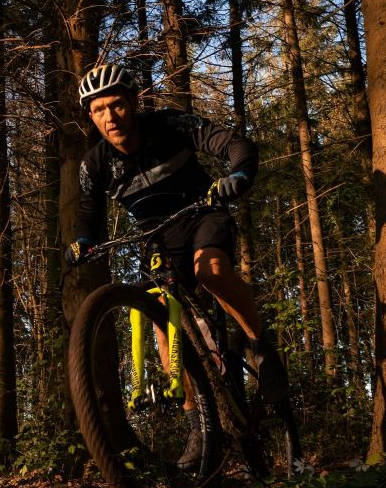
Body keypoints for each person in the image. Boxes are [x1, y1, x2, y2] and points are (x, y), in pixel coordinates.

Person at [66, 62, 289, 405]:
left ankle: (262, 348)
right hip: (157, 237)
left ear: (133, 101)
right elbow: (87, 213)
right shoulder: (94, 164)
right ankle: (197, 422)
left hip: (202, 214)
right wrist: (82, 242)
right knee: (163, 323)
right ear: (91, 117)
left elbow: (231, 143)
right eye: (98, 110)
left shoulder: (168, 125)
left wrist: (239, 173)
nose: (109, 116)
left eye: (116, 105)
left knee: (210, 270)